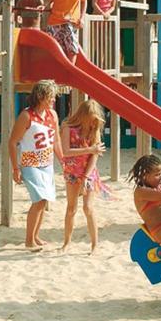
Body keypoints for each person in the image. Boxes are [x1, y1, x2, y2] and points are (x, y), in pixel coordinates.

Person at [9, 80, 66, 251]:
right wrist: (15, 168)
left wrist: (63, 161)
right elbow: (12, 142)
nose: (53, 100)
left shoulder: (52, 115)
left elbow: (56, 140)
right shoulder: (26, 116)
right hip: (30, 163)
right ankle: (28, 240)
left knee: (44, 200)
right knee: (39, 200)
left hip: (47, 163)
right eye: (50, 97)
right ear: (40, 96)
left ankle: (35, 236)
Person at [60, 100, 109, 254]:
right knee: (71, 208)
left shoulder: (94, 129)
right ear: (83, 115)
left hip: (88, 173)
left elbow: (95, 156)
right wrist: (90, 149)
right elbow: (66, 152)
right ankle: (66, 243)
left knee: (88, 208)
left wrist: (87, 176)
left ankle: (95, 245)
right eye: (91, 118)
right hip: (72, 172)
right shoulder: (68, 128)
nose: (93, 122)